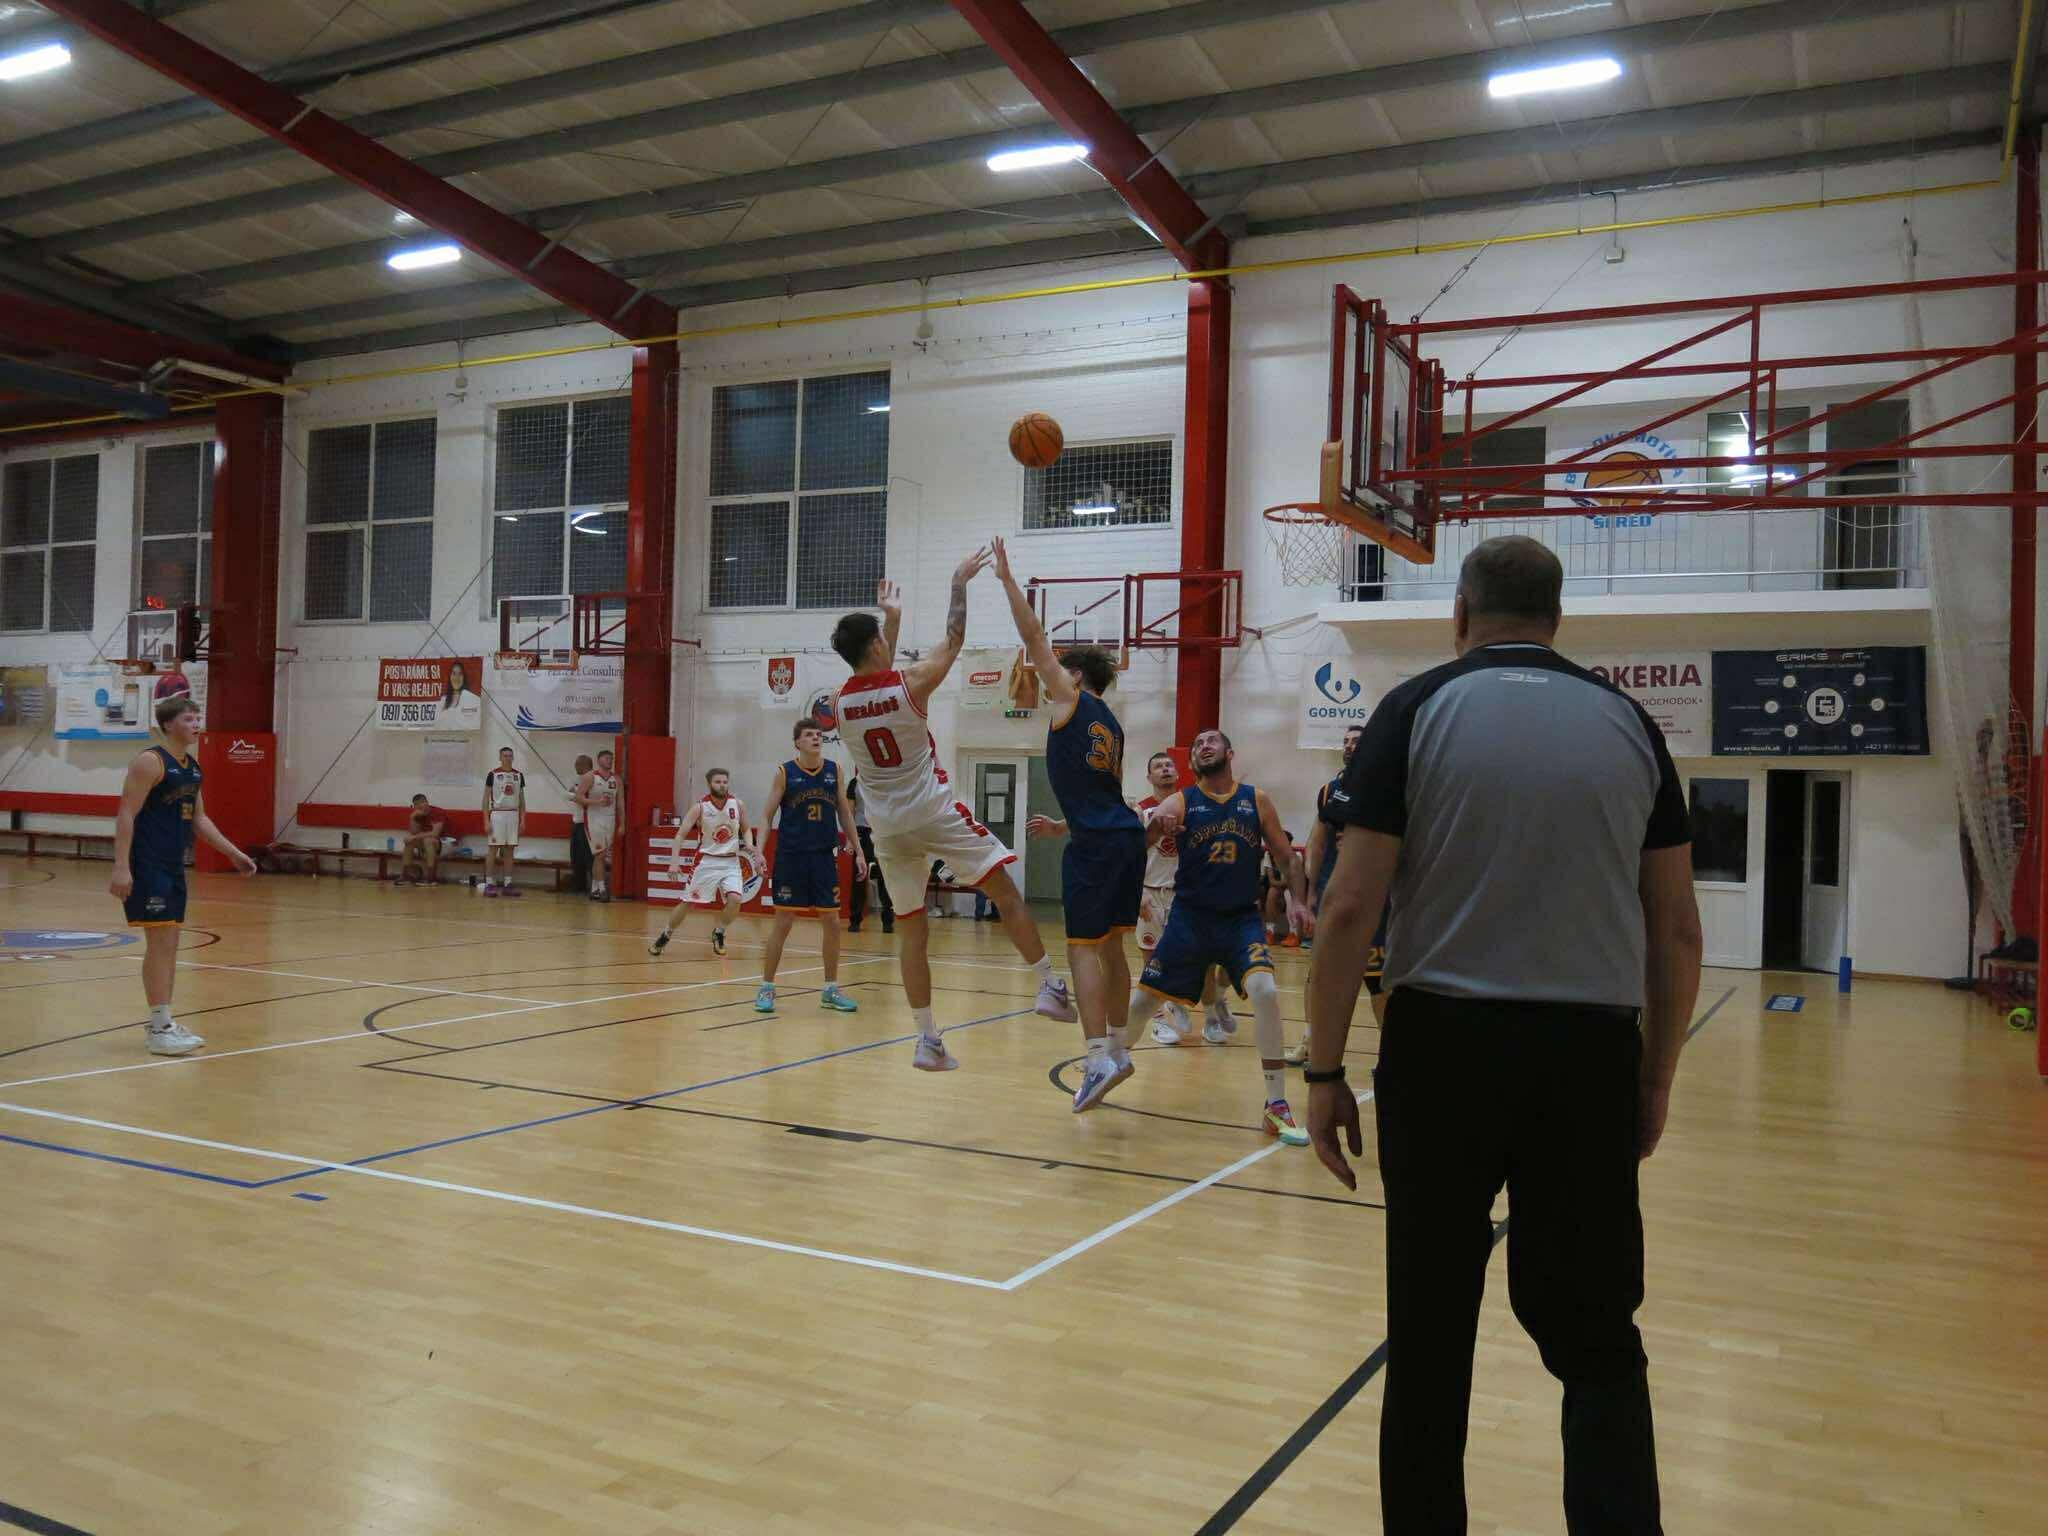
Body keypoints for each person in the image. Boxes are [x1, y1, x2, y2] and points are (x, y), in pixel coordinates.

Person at [1304, 535, 1704, 1535]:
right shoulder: (1629, 724)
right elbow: (1676, 928)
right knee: (1597, 1340)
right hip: (1589, 1057)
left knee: (1428, 1339)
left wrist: (1321, 1070)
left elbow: (1348, 908)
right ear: (1556, 620)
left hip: (1442, 1051)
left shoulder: (1413, 709)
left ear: (1459, 614)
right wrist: (1654, 1080)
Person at [831, 554, 1075, 1073]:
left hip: (887, 829)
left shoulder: (838, 704)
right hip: (931, 809)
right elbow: (954, 638)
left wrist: (891, 621)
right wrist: (958, 582)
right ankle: (1049, 985)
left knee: (911, 930)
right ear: (875, 646)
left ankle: (927, 1039)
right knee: (1004, 891)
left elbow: (876, 682)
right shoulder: (914, 682)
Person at [990, 536, 1146, 1111]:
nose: (1044, 675)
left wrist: (1009, 582)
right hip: (1122, 836)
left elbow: (1034, 638)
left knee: (1081, 947)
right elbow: (1099, 792)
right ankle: (1119, 1050)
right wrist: (1064, 826)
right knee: (1113, 949)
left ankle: (1097, 1055)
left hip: (1099, 844)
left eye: (1057, 671)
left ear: (1074, 677)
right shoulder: (1111, 723)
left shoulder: (1072, 702)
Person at [1123, 728, 1313, 1145]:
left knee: (1265, 991)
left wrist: (1299, 901)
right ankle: (1111, 1061)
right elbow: (1139, 845)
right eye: (1197, 745)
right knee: (1142, 1002)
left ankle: (1276, 1104)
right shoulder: (1181, 801)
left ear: (1230, 752)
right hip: (1190, 917)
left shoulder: (1256, 799)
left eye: (1211, 741)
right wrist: (1155, 829)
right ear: (1193, 761)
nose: (1203, 746)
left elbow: (1286, 858)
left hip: (1240, 918)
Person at [108, 694, 257, 1055]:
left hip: (174, 865)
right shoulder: (150, 762)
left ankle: (164, 1022)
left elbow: (199, 819)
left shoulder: (192, 767)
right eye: (189, 719)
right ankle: (159, 1029)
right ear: (169, 724)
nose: (196, 725)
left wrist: (234, 853)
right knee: (160, 943)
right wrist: (121, 866)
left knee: (170, 944)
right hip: (147, 864)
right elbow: (126, 813)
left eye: (197, 718)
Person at [1287, 722, 1387, 1065]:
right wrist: (1310, 893)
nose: (1350, 746)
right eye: (1345, 741)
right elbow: (1316, 844)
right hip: (1333, 894)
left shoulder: (1389, 787)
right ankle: (1310, 1042)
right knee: (1319, 974)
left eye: (1357, 741)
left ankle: (1389, 1054)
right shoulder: (1330, 791)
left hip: (1376, 898)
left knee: (1377, 980)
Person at [756, 717, 864, 1014]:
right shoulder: (785, 773)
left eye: (818, 734)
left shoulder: (834, 770)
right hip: (791, 856)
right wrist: (758, 851)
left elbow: (845, 813)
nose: (816, 738)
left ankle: (830, 989)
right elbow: (766, 815)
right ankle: (766, 987)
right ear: (797, 742)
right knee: (783, 922)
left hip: (823, 856)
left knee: (832, 922)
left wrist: (858, 850)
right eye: (809, 735)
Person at [649, 767, 753, 958]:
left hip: (731, 861)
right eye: (718, 782)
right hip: (707, 861)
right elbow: (680, 835)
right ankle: (666, 934)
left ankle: (719, 932)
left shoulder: (737, 804)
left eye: (725, 782)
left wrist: (750, 845)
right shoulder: (700, 807)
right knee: (687, 902)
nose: (722, 785)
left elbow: (746, 829)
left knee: (735, 899)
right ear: (709, 784)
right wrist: (674, 862)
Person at [845, 773, 893, 934]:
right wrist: (850, 840)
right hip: (861, 833)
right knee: (860, 876)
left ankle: (888, 921)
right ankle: (855, 919)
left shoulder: (885, 781)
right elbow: (849, 813)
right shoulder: (854, 783)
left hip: (881, 832)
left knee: (884, 876)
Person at [481, 745, 526, 897]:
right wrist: (486, 821)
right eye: (505, 755)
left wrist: (523, 820)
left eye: (510, 755)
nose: (508, 758)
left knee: (509, 850)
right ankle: (489, 883)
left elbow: (522, 800)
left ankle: (508, 884)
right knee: (493, 849)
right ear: (500, 758)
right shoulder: (493, 774)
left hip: (513, 815)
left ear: (513, 757)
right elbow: (485, 800)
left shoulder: (519, 775)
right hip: (497, 815)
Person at [577, 747, 620, 902]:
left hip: (610, 819)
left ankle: (594, 889)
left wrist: (623, 823)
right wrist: (597, 802)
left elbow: (620, 803)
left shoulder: (617, 779)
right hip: (594, 818)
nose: (610, 760)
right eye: (607, 758)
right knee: (600, 854)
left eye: (611, 758)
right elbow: (578, 797)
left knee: (601, 856)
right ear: (599, 760)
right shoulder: (590, 777)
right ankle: (602, 889)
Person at [396, 793, 447, 887]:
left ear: (426, 802)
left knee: (428, 840)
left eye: (422, 803)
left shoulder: (438, 812)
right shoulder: (418, 814)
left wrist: (414, 837)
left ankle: (431, 878)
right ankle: (405, 875)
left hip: (446, 842)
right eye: (416, 805)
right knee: (410, 842)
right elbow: (414, 832)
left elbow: (435, 834)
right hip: (428, 842)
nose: (420, 807)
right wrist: (412, 818)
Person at [568, 752, 595, 894]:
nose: (575, 766)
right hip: (576, 822)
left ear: (585, 765)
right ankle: (579, 886)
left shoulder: (592, 779)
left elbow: (586, 799)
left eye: (577, 764)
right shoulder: (578, 779)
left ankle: (594, 887)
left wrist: (574, 795)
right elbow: (573, 794)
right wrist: (572, 793)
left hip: (587, 823)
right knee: (576, 856)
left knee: (588, 856)